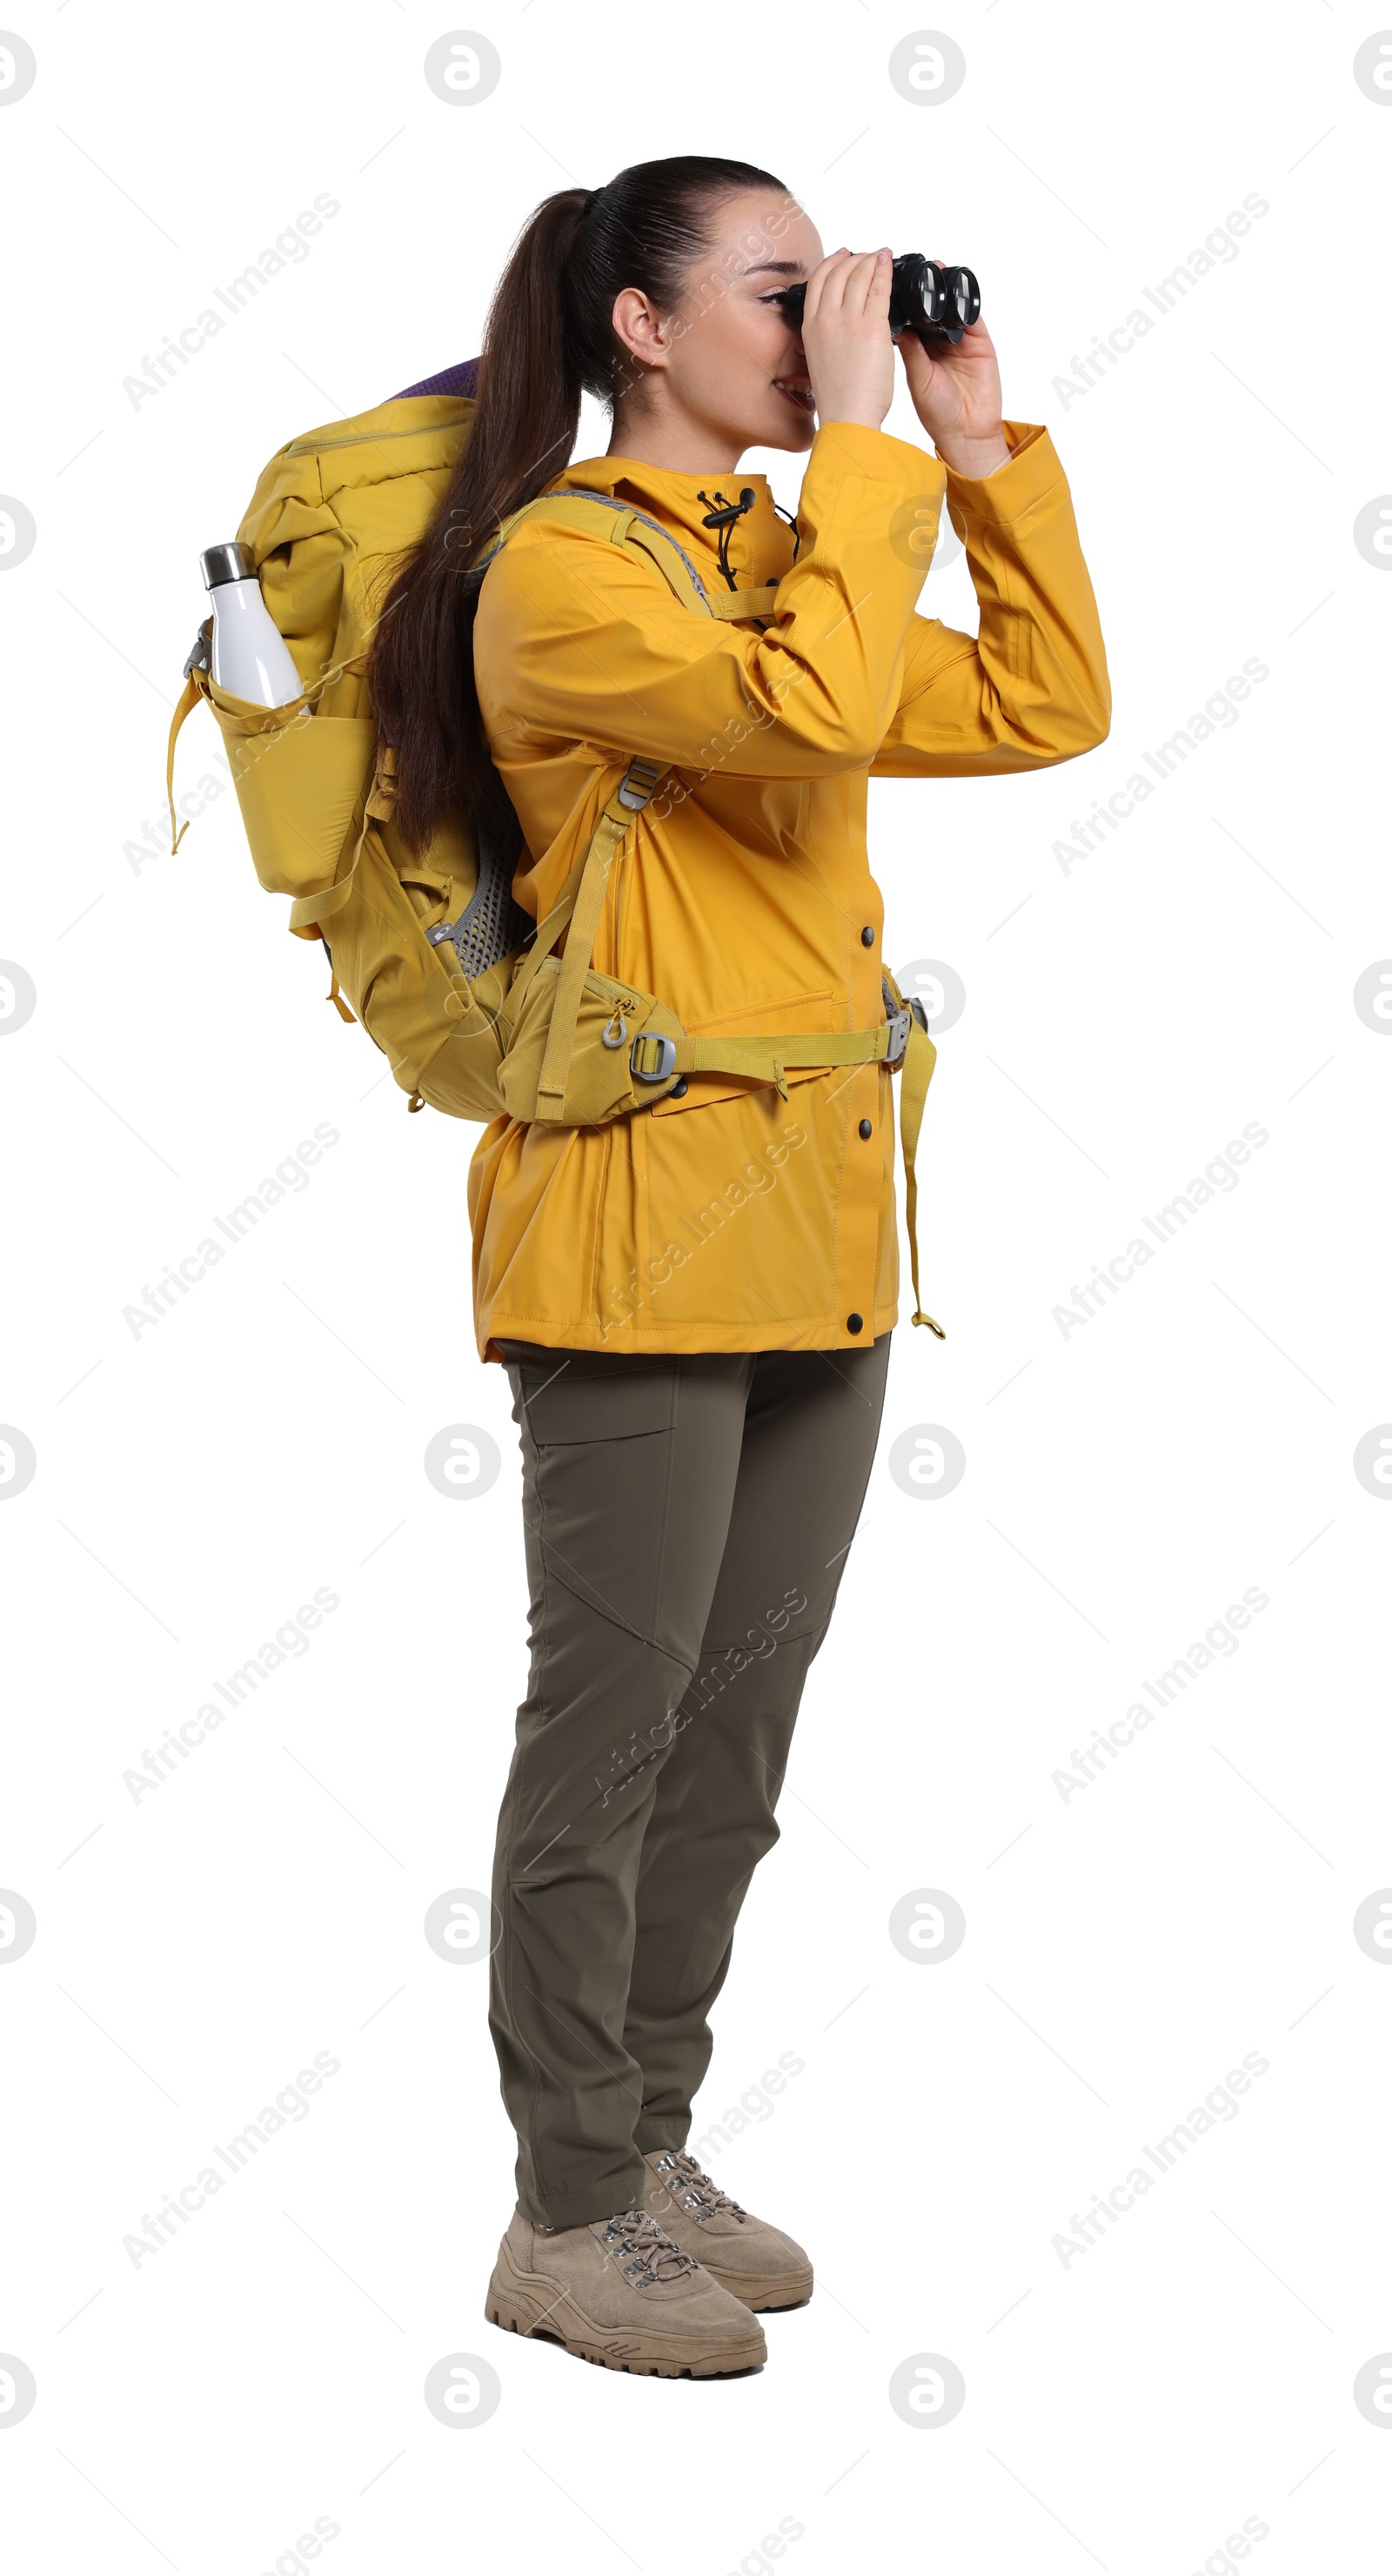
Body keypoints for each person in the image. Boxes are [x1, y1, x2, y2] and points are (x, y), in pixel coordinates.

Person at [370, 156, 1109, 2379]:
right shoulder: (559, 577)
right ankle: (561, 2204)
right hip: (628, 1238)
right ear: (643, 331)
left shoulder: (789, 551)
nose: (828, 325)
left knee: (734, 1737)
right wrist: (875, 465)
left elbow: (1038, 703)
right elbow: (795, 717)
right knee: (604, 1741)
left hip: (814, 1232)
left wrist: (975, 460)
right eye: (785, 292)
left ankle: (649, 2143)